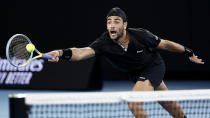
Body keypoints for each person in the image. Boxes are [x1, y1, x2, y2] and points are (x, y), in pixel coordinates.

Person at [46, 7, 204, 118]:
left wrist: (187, 52)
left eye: (116, 21)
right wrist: (61, 53)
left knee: (133, 102)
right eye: (109, 22)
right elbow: (82, 52)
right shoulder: (104, 42)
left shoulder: (141, 35)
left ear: (125, 25)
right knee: (167, 103)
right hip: (136, 73)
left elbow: (165, 44)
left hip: (153, 67)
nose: (112, 25)